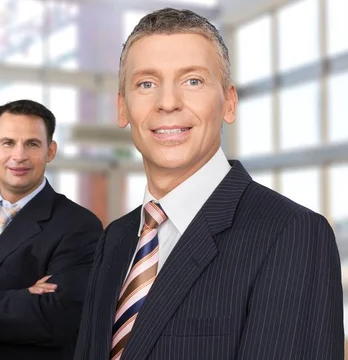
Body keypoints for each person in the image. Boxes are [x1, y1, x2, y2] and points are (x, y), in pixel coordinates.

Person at [74, 8, 344, 360]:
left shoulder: (293, 234)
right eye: (146, 84)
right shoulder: (116, 238)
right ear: (123, 109)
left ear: (229, 102)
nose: (168, 103)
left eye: (193, 81)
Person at [0, 99, 103, 360]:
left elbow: (54, 319)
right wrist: (21, 299)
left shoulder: (79, 225)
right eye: (8, 142)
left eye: (32, 144)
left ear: (51, 150)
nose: (19, 155)